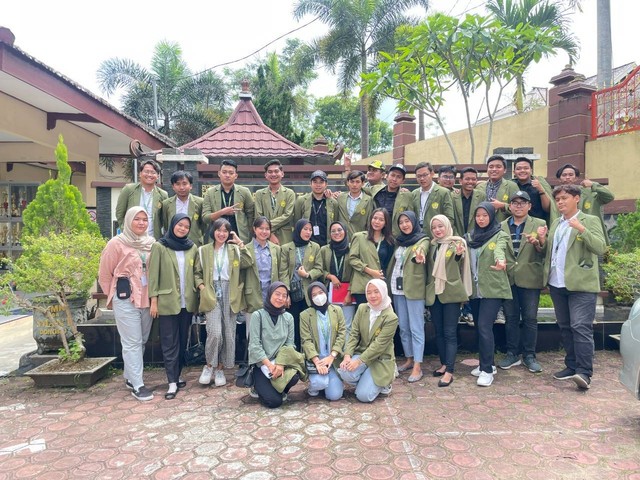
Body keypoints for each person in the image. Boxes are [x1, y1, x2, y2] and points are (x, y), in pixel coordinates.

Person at [545, 184, 606, 390]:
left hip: (581, 284)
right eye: (558, 199)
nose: (560, 202)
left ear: (577, 198)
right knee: (565, 327)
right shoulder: (556, 223)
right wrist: (539, 241)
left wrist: (582, 229)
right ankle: (571, 366)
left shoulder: (590, 220)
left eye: (564, 198)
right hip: (557, 282)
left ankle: (584, 373)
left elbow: (599, 247)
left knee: (581, 327)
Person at [98, 206, 156, 401]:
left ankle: (129, 376)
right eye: (137, 219)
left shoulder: (151, 243)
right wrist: (112, 297)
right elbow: (104, 274)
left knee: (141, 339)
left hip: (147, 298)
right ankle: (138, 385)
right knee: (131, 342)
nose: (141, 223)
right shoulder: (116, 243)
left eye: (144, 219)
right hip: (125, 298)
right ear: (128, 221)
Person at [148, 213, 198, 400]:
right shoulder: (160, 246)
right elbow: (153, 275)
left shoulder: (192, 248)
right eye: (180, 225)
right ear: (173, 225)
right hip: (167, 302)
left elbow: (195, 273)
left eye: (186, 226)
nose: (183, 229)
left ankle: (177, 376)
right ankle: (171, 383)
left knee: (182, 340)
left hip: (187, 302)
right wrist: (154, 300)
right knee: (170, 343)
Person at [195, 219, 251, 387]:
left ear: (229, 233)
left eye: (225, 231)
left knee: (228, 332)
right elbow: (197, 272)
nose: (222, 234)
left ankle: (220, 368)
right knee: (215, 332)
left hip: (230, 291)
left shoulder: (234, 250)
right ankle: (209, 365)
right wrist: (202, 287)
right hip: (211, 291)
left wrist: (241, 243)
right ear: (213, 231)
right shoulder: (203, 250)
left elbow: (248, 262)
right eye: (218, 230)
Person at [498, 191, 548, 374]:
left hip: (530, 276)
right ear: (509, 206)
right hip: (508, 277)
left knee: (530, 318)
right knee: (510, 318)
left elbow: (545, 251)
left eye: (523, 202)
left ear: (529, 206)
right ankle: (512, 353)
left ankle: (529, 355)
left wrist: (539, 241)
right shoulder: (501, 225)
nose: (518, 206)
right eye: (515, 202)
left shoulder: (540, 224)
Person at [466, 202, 512, 387]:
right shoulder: (471, 237)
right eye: (478, 216)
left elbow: (499, 250)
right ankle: (489, 364)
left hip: (492, 288)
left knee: (485, 326)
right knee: (479, 327)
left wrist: (500, 260)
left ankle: (486, 371)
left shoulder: (500, 234)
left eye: (485, 215)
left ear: (492, 216)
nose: (481, 219)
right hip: (475, 289)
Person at [426, 215, 472, 387]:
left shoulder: (456, 243)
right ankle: (444, 363)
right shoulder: (432, 245)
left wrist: (459, 254)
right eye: (434, 227)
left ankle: (450, 371)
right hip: (435, 293)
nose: (437, 230)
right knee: (438, 331)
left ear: (447, 226)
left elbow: (459, 260)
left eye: (440, 226)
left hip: (451, 292)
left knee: (450, 332)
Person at [339, 279, 398, 403]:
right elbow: (354, 334)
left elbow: (378, 346)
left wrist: (358, 362)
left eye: (376, 292)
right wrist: (348, 355)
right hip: (363, 353)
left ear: (383, 292)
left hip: (380, 358)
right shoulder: (362, 308)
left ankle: (385, 382)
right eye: (369, 292)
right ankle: (367, 379)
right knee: (344, 371)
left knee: (363, 396)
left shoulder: (391, 317)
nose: (372, 296)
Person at [248, 282, 306, 408]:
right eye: (277, 294)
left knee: (294, 377)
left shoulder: (288, 318)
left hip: (280, 363)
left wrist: (280, 364)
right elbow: (254, 345)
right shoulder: (258, 316)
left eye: (284, 296)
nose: (280, 298)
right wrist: (269, 365)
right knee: (274, 402)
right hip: (262, 365)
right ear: (269, 295)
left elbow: (290, 344)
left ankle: (279, 389)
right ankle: (257, 387)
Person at [389, 211, 429, 383]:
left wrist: (419, 256)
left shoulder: (422, 240)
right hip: (397, 289)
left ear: (414, 222)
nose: (405, 225)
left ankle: (418, 366)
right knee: (404, 327)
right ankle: (409, 358)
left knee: (416, 327)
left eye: (407, 221)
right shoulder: (399, 241)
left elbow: (422, 250)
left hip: (414, 289)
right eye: (401, 222)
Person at [279, 218, 323, 348]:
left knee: (309, 325)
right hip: (293, 293)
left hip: (309, 293)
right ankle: (295, 353)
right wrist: (285, 293)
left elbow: (319, 268)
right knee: (294, 325)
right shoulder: (286, 248)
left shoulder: (315, 247)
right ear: (298, 230)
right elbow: (283, 272)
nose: (308, 232)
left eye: (310, 230)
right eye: (305, 229)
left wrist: (308, 274)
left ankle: (310, 353)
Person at [300, 282, 346, 401]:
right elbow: (306, 340)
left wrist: (332, 356)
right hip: (317, 359)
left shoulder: (337, 310)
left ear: (326, 292)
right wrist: (317, 361)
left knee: (334, 396)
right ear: (310, 298)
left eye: (320, 293)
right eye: (314, 295)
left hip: (332, 359)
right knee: (319, 383)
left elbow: (342, 334)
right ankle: (315, 385)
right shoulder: (305, 315)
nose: (318, 297)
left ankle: (328, 381)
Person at [555, 163, 614, 244]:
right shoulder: (556, 197)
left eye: (571, 175)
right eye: (564, 175)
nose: (567, 177)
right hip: (566, 237)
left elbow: (609, 197)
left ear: (576, 178)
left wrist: (593, 184)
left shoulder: (589, 193)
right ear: (559, 179)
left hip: (590, 236)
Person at [348, 208, 394, 307]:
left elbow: (388, 264)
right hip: (362, 283)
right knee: (364, 316)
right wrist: (371, 271)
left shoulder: (389, 241)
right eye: (375, 218)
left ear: (386, 223)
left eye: (381, 220)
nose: (377, 222)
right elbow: (352, 259)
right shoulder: (359, 237)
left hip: (380, 285)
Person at [202, 159, 255, 244]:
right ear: (219, 173)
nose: (227, 175)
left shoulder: (244, 192)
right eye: (224, 172)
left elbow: (251, 215)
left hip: (239, 238)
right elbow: (205, 218)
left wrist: (248, 232)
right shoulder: (210, 192)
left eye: (231, 173)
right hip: (217, 238)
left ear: (236, 175)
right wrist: (222, 212)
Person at [116, 159, 168, 239]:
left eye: (153, 172)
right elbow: (120, 213)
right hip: (131, 238)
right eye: (146, 172)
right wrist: (125, 231)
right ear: (140, 174)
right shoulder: (129, 189)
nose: (149, 175)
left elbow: (163, 219)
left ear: (157, 176)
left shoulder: (163, 195)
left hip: (152, 239)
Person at [243, 217, 285, 315]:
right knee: (253, 328)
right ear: (254, 229)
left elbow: (281, 272)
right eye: (261, 228)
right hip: (253, 296)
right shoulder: (246, 249)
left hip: (272, 295)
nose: (264, 231)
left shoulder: (276, 249)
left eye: (267, 229)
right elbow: (241, 275)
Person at [319, 221, 355, 334]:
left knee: (348, 324)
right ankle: (334, 351)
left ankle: (346, 351)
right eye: (333, 231)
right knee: (333, 324)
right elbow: (319, 269)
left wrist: (349, 292)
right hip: (330, 291)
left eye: (339, 230)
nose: (336, 233)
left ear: (345, 231)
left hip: (349, 291)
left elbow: (356, 272)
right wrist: (330, 276)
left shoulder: (352, 249)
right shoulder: (325, 249)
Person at [254, 159, 296, 245]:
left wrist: (267, 227)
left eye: (276, 171)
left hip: (284, 238)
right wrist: (270, 234)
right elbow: (258, 216)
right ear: (266, 175)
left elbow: (288, 215)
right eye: (270, 172)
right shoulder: (259, 194)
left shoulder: (289, 193)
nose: (273, 174)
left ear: (282, 174)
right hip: (264, 237)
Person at [294, 170, 338, 246]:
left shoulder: (333, 202)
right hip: (307, 244)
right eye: (315, 182)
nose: (318, 185)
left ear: (326, 184)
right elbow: (296, 221)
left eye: (321, 182)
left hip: (327, 244)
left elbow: (336, 221)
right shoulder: (301, 200)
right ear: (310, 184)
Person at [160, 171, 204, 246]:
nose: (181, 187)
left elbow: (204, 225)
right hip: (172, 243)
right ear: (173, 186)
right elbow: (166, 224)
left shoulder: (200, 202)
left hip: (194, 244)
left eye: (184, 183)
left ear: (190, 186)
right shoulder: (166, 204)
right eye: (177, 184)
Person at [370, 163, 414, 238]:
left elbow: (411, 218)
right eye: (392, 175)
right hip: (375, 234)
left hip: (394, 237)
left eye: (398, 177)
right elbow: (357, 188)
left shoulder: (407, 196)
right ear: (387, 176)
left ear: (403, 181)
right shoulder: (376, 190)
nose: (394, 179)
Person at [411, 162, 454, 235]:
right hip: (417, 235)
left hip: (436, 235)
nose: (422, 178)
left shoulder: (443, 192)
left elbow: (449, 218)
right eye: (419, 176)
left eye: (425, 175)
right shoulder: (414, 193)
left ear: (432, 174)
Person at [476, 155, 518, 223]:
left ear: (504, 170)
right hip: (482, 226)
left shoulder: (512, 186)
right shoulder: (479, 187)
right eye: (491, 167)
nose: (494, 169)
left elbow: (518, 208)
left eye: (498, 167)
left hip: (502, 227)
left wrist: (503, 206)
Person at [512, 157, 552, 224]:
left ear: (531, 170)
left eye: (526, 168)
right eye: (519, 169)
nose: (522, 171)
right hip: (515, 224)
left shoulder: (540, 184)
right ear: (514, 172)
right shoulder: (510, 185)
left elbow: (548, 209)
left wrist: (540, 189)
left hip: (536, 225)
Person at [335, 170, 374, 240]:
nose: (354, 185)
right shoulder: (340, 197)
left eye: (357, 182)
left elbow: (369, 223)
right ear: (347, 183)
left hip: (360, 239)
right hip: (341, 238)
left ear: (362, 183)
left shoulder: (368, 200)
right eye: (352, 181)